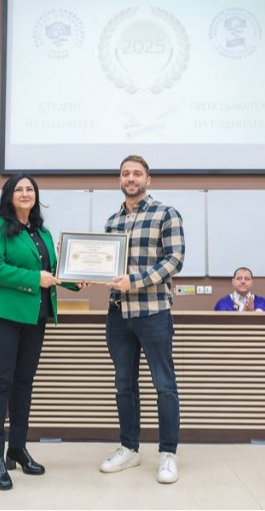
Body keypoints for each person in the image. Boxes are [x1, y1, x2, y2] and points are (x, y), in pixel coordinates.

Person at [0, 174, 86, 491]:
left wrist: (76, 280)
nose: (25, 193)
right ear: (9, 195)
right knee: (0, 383)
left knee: (24, 384)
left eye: (30, 189)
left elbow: (51, 273)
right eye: (19, 189)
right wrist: (33, 278)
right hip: (2, 316)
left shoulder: (42, 231)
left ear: (36, 196)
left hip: (35, 316)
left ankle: (17, 448)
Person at [100, 155, 185, 484]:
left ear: (148, 180)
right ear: (120, 180)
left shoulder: (166, 213)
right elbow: (106, 265)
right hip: (118, 314)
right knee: (124, 385)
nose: (131, 178)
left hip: (153, 312)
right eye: (125, 173)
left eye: (137, 173)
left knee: (164, 385)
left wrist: (134, 281)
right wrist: (85, 275)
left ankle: (168, 453)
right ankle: (129, 449)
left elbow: (174, 259)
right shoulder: (112, 221)